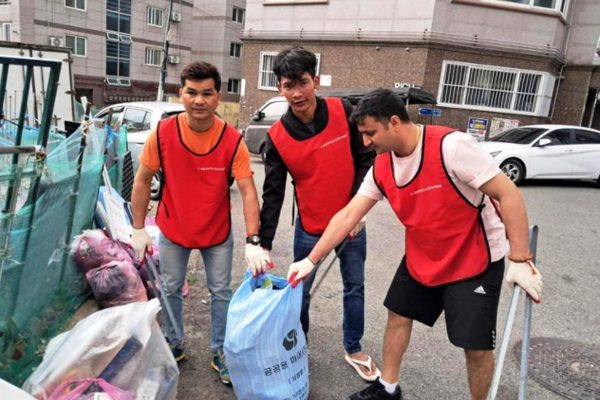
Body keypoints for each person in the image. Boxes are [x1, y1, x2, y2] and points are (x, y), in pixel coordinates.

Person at [287, 88, 543, 400]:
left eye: (370, 133)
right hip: (423, 253)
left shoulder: (452, 147)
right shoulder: (382, 166)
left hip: (472, 257)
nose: (366, 142)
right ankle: (388, 388)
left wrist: (519, 257)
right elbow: (349, 213)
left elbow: (508, 194)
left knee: (474, 347)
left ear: (394, 122)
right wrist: (310, 261)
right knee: (398, 315)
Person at [130, 61, 271, 386]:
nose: (199, 100)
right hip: (174, 228)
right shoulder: (163, 134)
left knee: (221, 291)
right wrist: (138, 227)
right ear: (181, 93)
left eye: (207, 93)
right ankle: (175, 343)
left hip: (216, 232)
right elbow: (142, 180)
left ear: (217, 96)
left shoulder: (231, 140)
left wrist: (253, 240)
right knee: (170, 287)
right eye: (191, 92)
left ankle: (220, 351)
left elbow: (249, 191)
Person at [259, 46, 380, 381]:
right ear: (280, 88)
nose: (297, 93)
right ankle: (298, 344)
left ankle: (354, 347)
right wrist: (261, 242)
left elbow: (366, 158)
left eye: (302, 82)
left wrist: (358, 208)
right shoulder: (278, 136)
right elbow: (273, 193)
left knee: (354, 286)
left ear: (315, 80)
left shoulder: (344, 111)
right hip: (309, 227)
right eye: (288, 85)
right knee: (300, 290)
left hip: (352, 225)